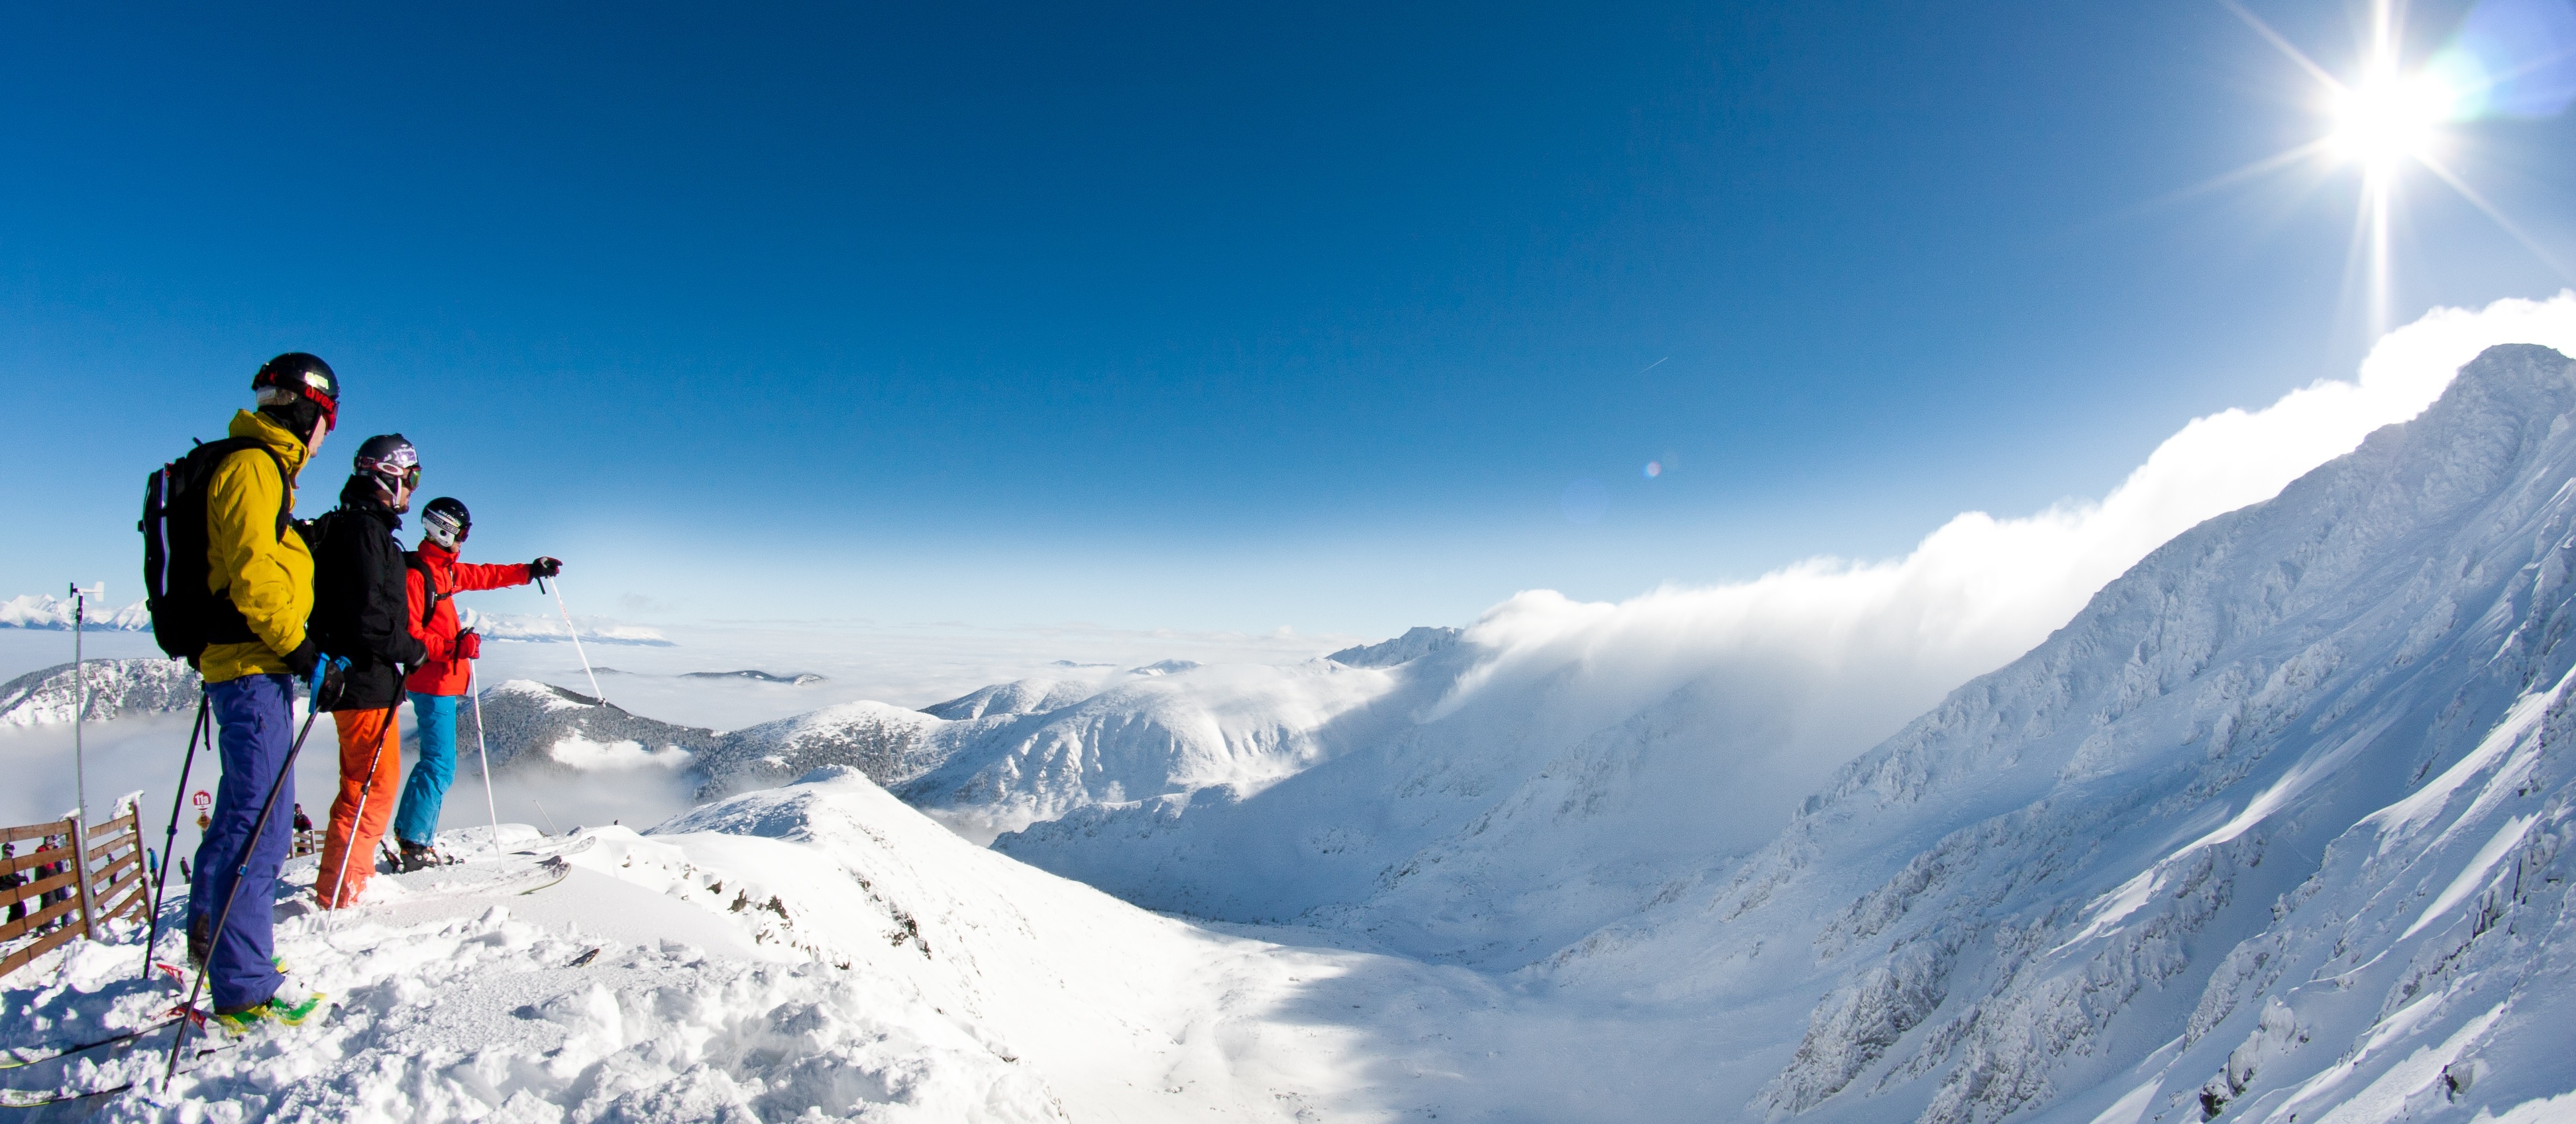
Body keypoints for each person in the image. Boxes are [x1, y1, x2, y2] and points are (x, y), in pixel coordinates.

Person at [185, 351, 335, 1033]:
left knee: (243, 814)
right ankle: (244, 986)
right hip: (253, 665)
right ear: (309, 414)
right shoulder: (254, 467)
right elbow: (254, 576)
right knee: (264, 826)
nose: (324, 437)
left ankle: (211, 939)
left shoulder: (257, 467)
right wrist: (302, 652)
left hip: (242, 664)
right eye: (327, 422)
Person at [392, 496, 561, 871]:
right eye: (462, 532)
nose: (464, 540)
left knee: (436, 764)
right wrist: (456, 647)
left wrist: (530, 571)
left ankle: (412, 835)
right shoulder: (418, 575)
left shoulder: (443, 571)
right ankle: (416, 844)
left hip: (442, 680)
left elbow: (485, 575)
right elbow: (412, 637)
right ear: (443, 530)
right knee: (439, 766)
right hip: (433, 681)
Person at [309, 435, 431, 907]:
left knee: (365, 785)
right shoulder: (364, 530)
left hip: (362, 681)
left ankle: (344, 881)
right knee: (370, 789)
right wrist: (413, 650)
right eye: (412, 479)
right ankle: (343, 889)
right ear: (389, 475)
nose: (412, 490)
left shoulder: (361, 528)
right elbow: (368, 617)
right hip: (363, 681)